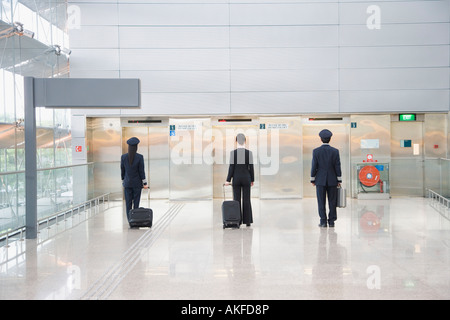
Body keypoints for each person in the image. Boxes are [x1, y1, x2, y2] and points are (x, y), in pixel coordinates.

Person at [310, 129, 342, 228]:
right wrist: (339, 179)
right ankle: (332, 221)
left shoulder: (316, 151)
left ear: (321, 139)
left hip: (320, 180)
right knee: (332, 201)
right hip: (332, 180)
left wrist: (313, 179)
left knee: (321, 201)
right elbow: (338, 166)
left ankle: (323, 222)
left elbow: (314, 166)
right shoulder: (335, 151)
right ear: (330, 139)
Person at [225, 133, 255, 227]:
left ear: (236, 141)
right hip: (246, 178)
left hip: (236, 179)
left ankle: (237, 221)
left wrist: (228, 180)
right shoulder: (249, 153)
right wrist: (252, 179)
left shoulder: (233, 153)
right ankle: (248, 221)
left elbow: (231, 167)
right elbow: (251, 167)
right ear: (245, 141)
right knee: (247, 199)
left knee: (236, 200)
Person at [121, 137, 148, 221]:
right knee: (136, 202)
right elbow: (141, 171)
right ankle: (135, 219)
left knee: (128, 203)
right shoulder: (140, 157)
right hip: (137, 184)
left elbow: (122, 170)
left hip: (127, 183)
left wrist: (123, 180)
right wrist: (145, 183)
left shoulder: (123, 157)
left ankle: (130, 220)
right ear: (136, 147)